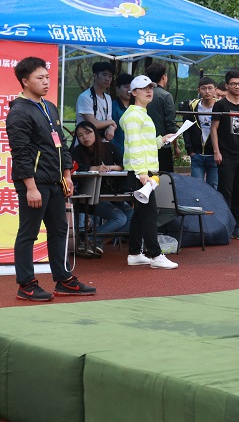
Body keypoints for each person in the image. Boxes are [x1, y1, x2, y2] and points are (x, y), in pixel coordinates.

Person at [8, 56, 96, 301]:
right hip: (35, 184)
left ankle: (63, 279)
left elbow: (62, 145)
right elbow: (20, 153)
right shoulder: (19, 111)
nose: (46, 82)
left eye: (47, 77)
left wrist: (67, 174)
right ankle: (26, 284)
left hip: (56, 182)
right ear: (25, 81)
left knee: (59, 230)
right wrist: (30, 187)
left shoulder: (49, 107)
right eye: (40, 78)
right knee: (28, 233)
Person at [119, 75, 179, 269]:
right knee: (149, 214)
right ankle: (155, 255)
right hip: (141, 173)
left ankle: (135, 253)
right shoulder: (133, 116)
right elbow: (135, 146)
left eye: (151, 87)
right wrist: (142, 173)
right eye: (144, 88)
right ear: (134, 92)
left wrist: (161, 140)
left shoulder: (141, 114)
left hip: (144, 171)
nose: (149, 91)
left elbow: (143, 144)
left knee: (140, 214)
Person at [71, 121, 133, 257]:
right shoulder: (77, 152)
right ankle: (91, 240)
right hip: (90, 197)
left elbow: (124, 164)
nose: (84, 137)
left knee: (132, 217)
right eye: (80, 135)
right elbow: (72, 168)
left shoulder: (109, 147)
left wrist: (110, 167)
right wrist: (93, 168)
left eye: (88, 132)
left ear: (95, 132)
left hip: (114, 195)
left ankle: (96, 241)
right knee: (120, 218)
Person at [210, 71, 239, 238]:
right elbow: (213, 129)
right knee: (226, 191)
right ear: (227, 86)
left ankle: (236, 226)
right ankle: (225, 225)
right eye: (233, 84)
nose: (237, 86)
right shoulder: (220, 105)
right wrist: (216, 151)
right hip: (226, 155)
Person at [182, 76, 218, 189]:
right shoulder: (191, 107)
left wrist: (219, 151)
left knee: (213, 187)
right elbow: (186, 129)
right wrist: (190, 150)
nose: (207, 91)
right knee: (197, 187)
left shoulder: (220, 107)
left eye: (210, 88)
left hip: (214, 156)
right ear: (199, 90)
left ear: (215, 90)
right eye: (203, 88)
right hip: (197, 155)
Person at [144, 62, 179, 172]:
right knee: (164, 177)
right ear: (164, 77)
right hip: (162, 146)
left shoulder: (142, 94)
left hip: (144, 145)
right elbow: (171, 125)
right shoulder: (165, 96)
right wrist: (176, 146)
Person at [75, 60, 117, 142]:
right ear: (95, 76)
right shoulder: (85, 97)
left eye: (110, 76)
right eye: (104, 75)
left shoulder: (108, 98)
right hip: (86, 144)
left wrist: (112, 127)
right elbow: (92, 123)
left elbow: (109, 121)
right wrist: (112, 122)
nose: (107, 79)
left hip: (102, 143)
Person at [110, 72, 133, 155]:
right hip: (118, 153)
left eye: (131, 87)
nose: (129, 90)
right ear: (117, 89)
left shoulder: (135, 107)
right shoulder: (113, 107)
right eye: (126, 87)